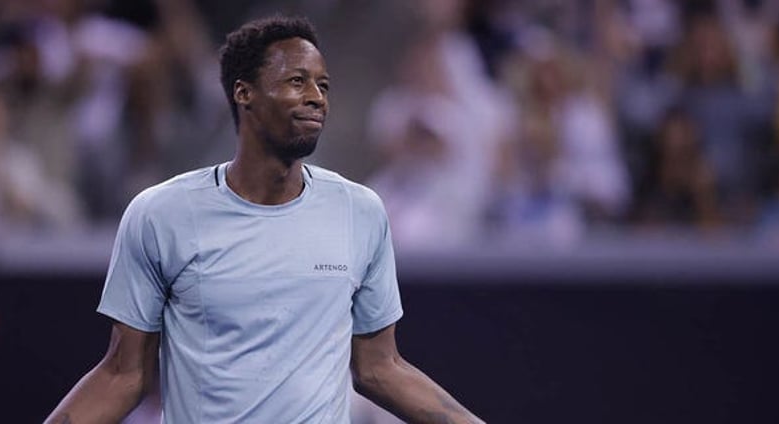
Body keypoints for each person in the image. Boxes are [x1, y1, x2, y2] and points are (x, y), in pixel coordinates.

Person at [45, 15, 484, 424]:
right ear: (244, 93)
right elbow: (123, 374)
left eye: (323, 86)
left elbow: (380, 368)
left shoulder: (361, 212)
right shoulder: (161, 214)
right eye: (297, 81)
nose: (316, 97)